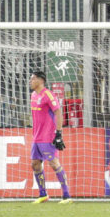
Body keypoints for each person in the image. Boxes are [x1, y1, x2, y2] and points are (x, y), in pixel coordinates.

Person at [28, 71, 72, 204]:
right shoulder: (33, 95)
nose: (30, 81)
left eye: (33, 79)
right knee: (35, 164)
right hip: (36, 137)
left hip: (48, 136)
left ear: (41, 80)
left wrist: (58, 133)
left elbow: (58, 112)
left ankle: (66, 195)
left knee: (54, 163)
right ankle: (43, 194)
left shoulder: (48, 94)